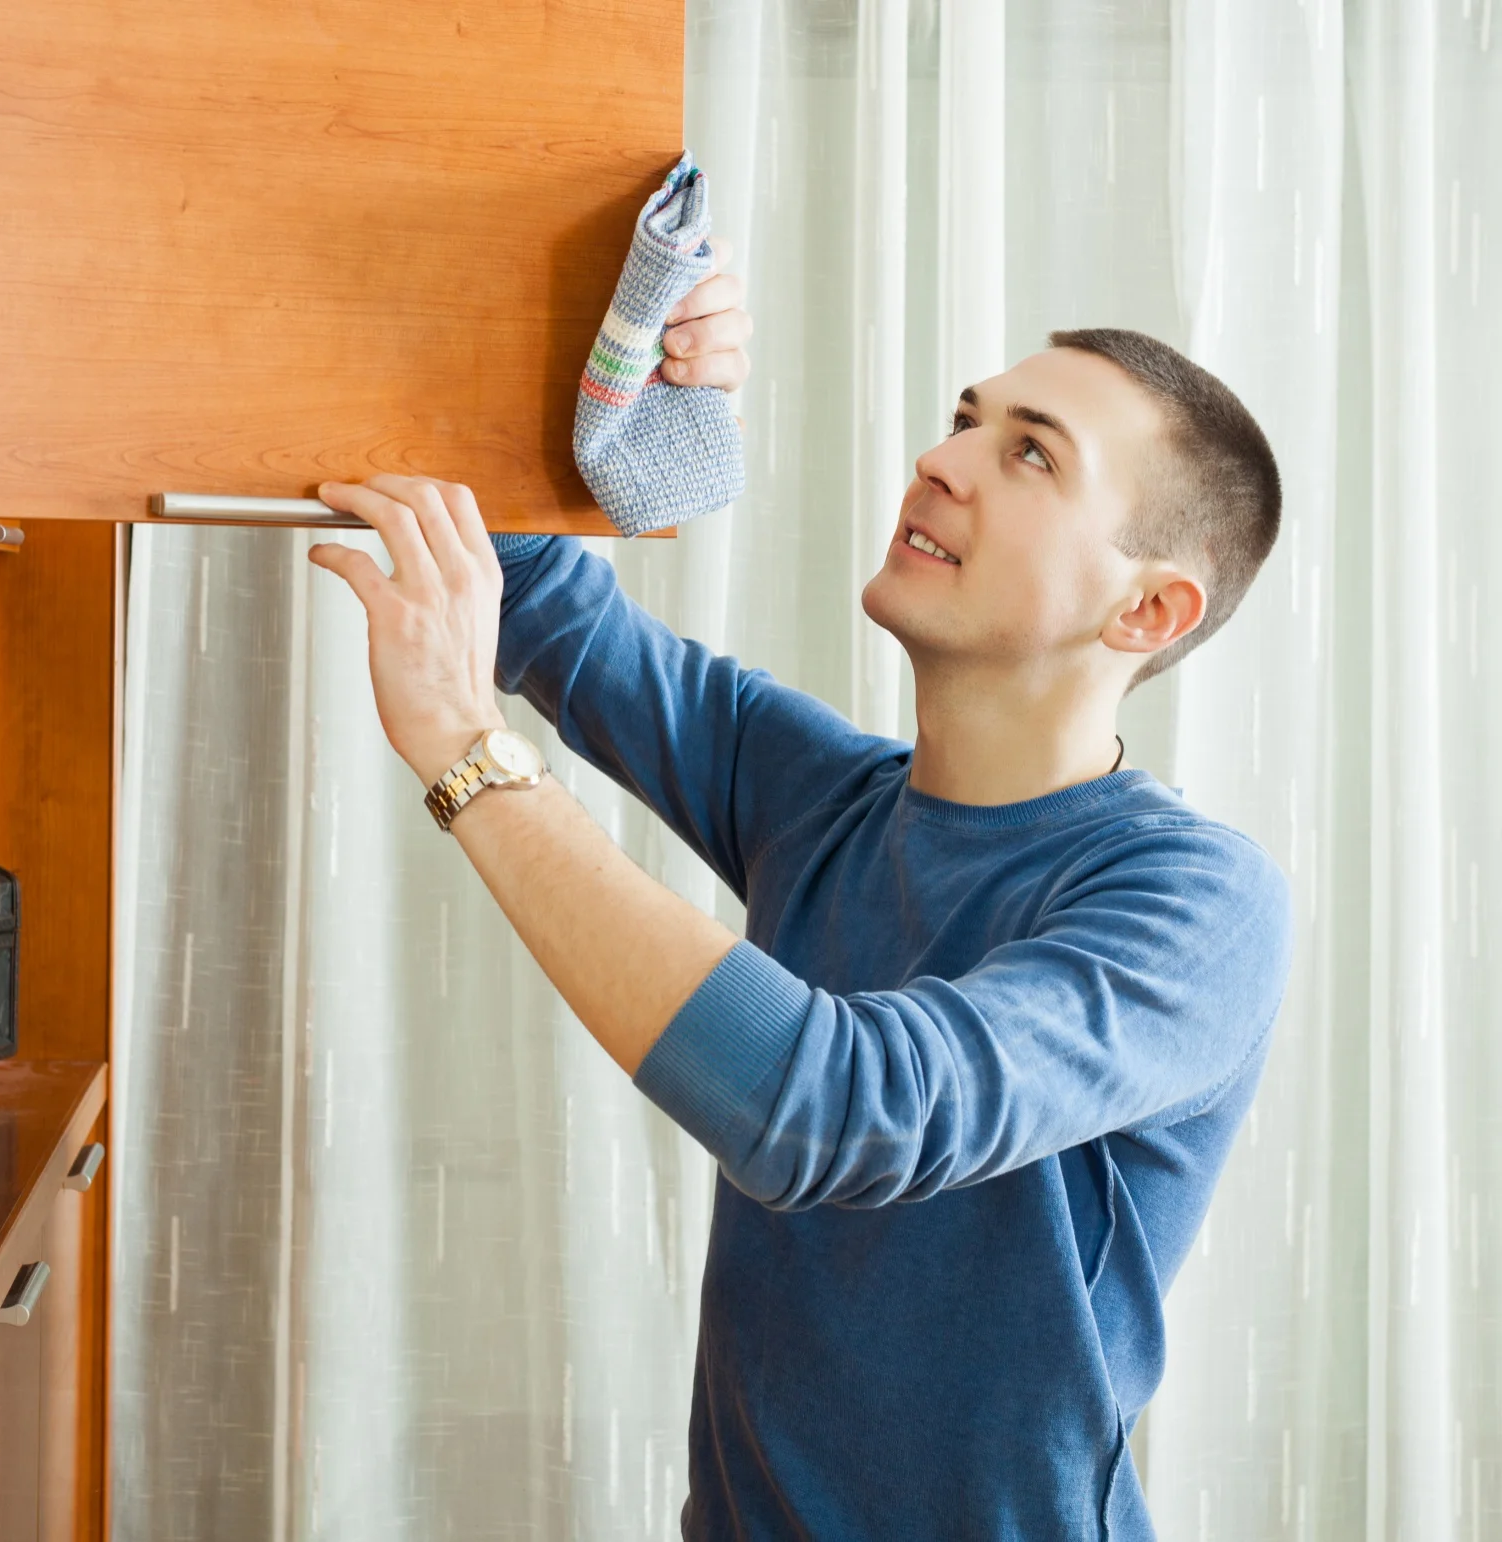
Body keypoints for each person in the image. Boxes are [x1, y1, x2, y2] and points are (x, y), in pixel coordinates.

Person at [304, 268, 1291, 1539]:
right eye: (964, 419)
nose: (940, 461)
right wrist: (619, 366)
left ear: (1146, 607)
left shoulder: (1196, 903)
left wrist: (464, 747)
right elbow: (523, 578)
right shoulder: (820, 794)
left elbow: (833, 1110)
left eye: (1030, 456)